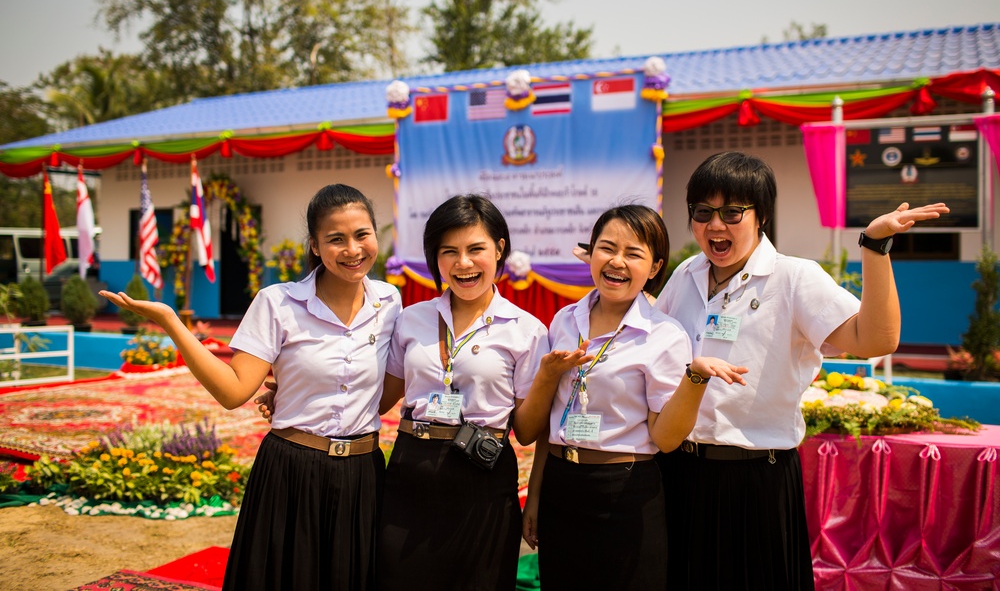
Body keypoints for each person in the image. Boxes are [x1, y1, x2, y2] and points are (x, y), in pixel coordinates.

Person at [653, 151, 949, 590]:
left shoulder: (794, 278)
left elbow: (875, 340)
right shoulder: (685, 275)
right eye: (703, 212)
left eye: (733, 212)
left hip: (758, 479)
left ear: (762, 216)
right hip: (681, 473)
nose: (716, 225)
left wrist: (874, 246)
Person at [101, 184, 401, 591]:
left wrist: (296, 389)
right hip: (293, 471)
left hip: (363, 473)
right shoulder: (277, 303)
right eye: (336, 239)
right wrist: (172, 321)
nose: (352, 249)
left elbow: (384, 391)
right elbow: (233, 391)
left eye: (362, 234)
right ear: (314, 245)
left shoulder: (390, 301)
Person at [517, 205, 748, 590]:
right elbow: (549, 424)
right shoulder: (563, 321)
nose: (616, 262)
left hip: (624, 490)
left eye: (633, 254)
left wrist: (694, 378)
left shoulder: (664, 335)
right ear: (590, 253)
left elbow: (666, 437)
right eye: (607, 248)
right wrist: (536, 495)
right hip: (561, 484)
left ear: (655, 267)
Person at [376, 194, 549, 591]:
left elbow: (527, 431)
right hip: (410, 473)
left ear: (500, 249)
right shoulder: (411, 319)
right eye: (449, 251)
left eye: (476, 249)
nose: (463, 263)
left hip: (483, 477)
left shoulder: (526, 330)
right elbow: (381, 397)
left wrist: (549, 377)